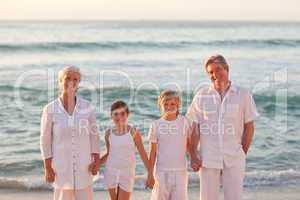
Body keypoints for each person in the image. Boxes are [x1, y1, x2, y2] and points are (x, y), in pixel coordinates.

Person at [187, 54, 259, 200]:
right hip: (208, 158)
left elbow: (249, 127)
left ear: (227, 68)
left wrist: (242, 152)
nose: (214, 74)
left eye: (218, 69)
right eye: (210, 72)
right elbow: (194, 129)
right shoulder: (201, 96)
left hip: (234, 157)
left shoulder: (243, 95)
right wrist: (193, 155)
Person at [40, 66, 100, 200]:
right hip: (61, 168)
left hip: (84, 166)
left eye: (75, 79)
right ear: (60, 81)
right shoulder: (50, 109)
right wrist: (47, 168)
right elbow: (45, 140)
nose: (71, 82)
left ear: (79, 83)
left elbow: (94, 136)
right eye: (67, 78)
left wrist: (96, 161)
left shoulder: (87, 107)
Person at [100, 100, 150, 200]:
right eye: (116, 114)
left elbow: (143, 154)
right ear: (111, 116)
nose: (119, 117)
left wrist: (151, 173)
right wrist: (96, 164)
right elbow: (109, 153)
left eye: (122, 114)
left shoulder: (133, 132)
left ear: (127, 115)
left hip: (127, 173)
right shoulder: (108, 133)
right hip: (111, 171)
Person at [147, 90, 191, 200]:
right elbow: (152, 152)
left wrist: (194, 159)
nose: (169, 107)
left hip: (180, 172)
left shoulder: (184, 122)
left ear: (178, 105)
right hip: (161, 173)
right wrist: (150, 174)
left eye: (172, 104)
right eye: (165, 104)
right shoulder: (156, 125)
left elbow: (189, 145)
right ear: (160, 105)